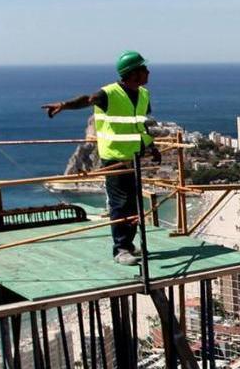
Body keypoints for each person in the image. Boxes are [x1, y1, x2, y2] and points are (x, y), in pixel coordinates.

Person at [43, 50, 160, 266]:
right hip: (114, 159)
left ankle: (129, 244)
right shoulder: (110, 93)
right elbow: (87, 100)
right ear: (133, 73)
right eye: (144, 69)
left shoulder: (143, 94)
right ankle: (121, 249)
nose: (148, 72)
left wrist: (151, 146)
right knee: (120, 203)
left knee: (133, 204)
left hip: (133, 157)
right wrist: (64, 105)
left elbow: (140, 123)